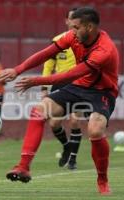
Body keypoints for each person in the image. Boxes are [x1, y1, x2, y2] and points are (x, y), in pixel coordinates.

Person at [0, 7, 118, 195]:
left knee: (94, 131)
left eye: (77, 27)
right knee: (38, 111)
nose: (73, 31)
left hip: (102, 91)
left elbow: (69, 74)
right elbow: (45, 53)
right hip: (78, 86)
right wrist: (18, 70)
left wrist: (35, 81)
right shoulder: (73, 36)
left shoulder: (105, 50)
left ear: (89, 27)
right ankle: (23, 167)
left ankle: (102, 180)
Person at [41, 8, 82, 170]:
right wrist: (44, 87)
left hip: (79, 84)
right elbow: (48, 64)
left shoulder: (85, 40)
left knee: (75, 120)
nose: (74, 22)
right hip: (60, 84)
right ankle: (66, 146)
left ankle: (72, 159)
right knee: (54, 123)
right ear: (67, 21)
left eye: (77, 19)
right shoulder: (57, 40)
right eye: (72, 19)